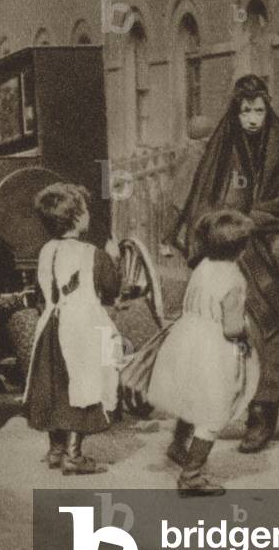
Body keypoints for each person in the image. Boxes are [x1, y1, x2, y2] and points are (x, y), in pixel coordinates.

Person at [170, 74, 279, 455]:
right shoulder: (223, 147)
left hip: (278, 254)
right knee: (230, 335)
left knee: (273, 339)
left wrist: (261, 214)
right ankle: (202, 417)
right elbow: (204, 199)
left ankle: (262, 416)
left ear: (268, 110)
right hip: (234, 254)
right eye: (245, 111)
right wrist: (221, 229)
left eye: (259, 110)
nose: (252, 118)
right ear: (236, 112)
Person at [125, 210, 260, 496]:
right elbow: (232, 328)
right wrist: (248, 333)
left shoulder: (202, 266)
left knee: (191, 396)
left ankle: (178, 445)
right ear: (242, 249)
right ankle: (192, 475)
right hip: (215, 349)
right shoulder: (234, 278)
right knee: (214, 409)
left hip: (186, 339)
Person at [24, 183, 122, 475]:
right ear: (77, 217)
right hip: (83, 327)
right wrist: (114, 260)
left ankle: (56, 450)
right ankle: (74, 455)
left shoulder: (46, 250)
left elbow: (42, 291)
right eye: (86, 210)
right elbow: (111, 288)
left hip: (51, 325)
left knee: (56, 386)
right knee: (85, 383)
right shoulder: (92, 253)